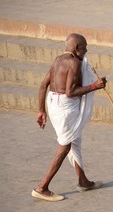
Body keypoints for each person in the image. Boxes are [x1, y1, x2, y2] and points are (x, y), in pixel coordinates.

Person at [32, 33, 107, 202]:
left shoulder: (58, 60)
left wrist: (41, 110)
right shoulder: (73, 63)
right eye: (84, 48)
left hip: (53, 104)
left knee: (75, 142)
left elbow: (44, 85)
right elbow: (70, 92)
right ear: (76, 48)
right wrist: (95, 86)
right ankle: (42, 187)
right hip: (65, 108)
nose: (86, 51)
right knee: (65, 146)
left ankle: (83, 181)